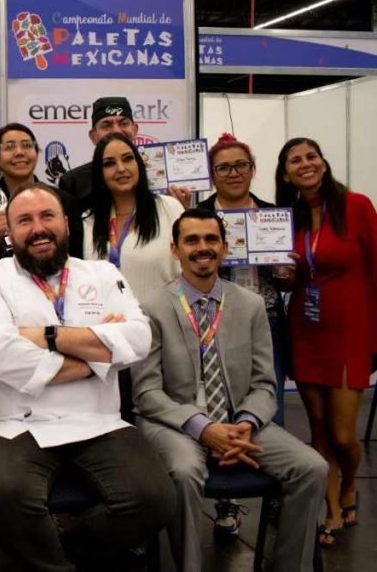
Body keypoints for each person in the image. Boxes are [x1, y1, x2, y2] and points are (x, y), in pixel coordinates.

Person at [0, 184, 174, 570]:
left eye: (47, 217)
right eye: (24, 220)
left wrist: (47, 336)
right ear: (9, 231)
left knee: (154, 498)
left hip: (98, 420)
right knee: (0, 492)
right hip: (13, 424)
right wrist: (97, 357)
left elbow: (139, 337)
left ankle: (64, 549)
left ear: (66, 223)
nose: (38, 228)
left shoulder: (102, 273)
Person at [131, 208, 327, 572]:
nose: (202, 247)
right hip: (177, 424)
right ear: (175, 250)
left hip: (241, 424)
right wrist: (204, 429)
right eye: (191, 240)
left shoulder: (250, 305)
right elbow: (146, 393)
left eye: (210, 239)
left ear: (224, 247)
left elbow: (264, 384)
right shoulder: (152, 308)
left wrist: (246, 425)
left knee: (311, 468)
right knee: (185, 472)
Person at [274, 137, 377, 546]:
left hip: (351, 329)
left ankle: (350, 480)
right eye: (295, 160)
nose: (305, 164)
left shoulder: (357, 207)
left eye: (311, 156)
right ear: (285, 173)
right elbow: (297, 275)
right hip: (307, 328)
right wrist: (287, 276)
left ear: (323, 161)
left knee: (342, 435)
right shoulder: (290, 218)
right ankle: (332, 510)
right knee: (317, 431)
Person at [199, 133, 290, 426]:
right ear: (212, 176)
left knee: (269, 404)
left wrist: (289, 273)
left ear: (253, 169)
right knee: (217, 403)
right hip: (212, 320)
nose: (234, 173)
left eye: (241, 165)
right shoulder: (197, 217)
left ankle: (273, 463)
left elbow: (286, 282)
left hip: (267, 319)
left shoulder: (274, 216)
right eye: (223, 168)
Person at [82, 132, 185, 303]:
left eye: (128, 159)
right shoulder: (88, 220)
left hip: (162, 323)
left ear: (139, 164)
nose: (121, 168)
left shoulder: (170, 208)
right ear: (99, 173)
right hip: (110, 325)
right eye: (109, 163)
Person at [59, 96, 191, 218]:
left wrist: (182, 210)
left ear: (134, 130)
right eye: (107, 125)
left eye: (123, 123)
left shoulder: (161, 174)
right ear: (93, 136)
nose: (116, 130)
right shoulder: (73, 182)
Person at [0, 123, 40, 264]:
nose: (19, 152)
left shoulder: (61, 200)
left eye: (27, 145)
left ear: (36, 153)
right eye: (9, 147)